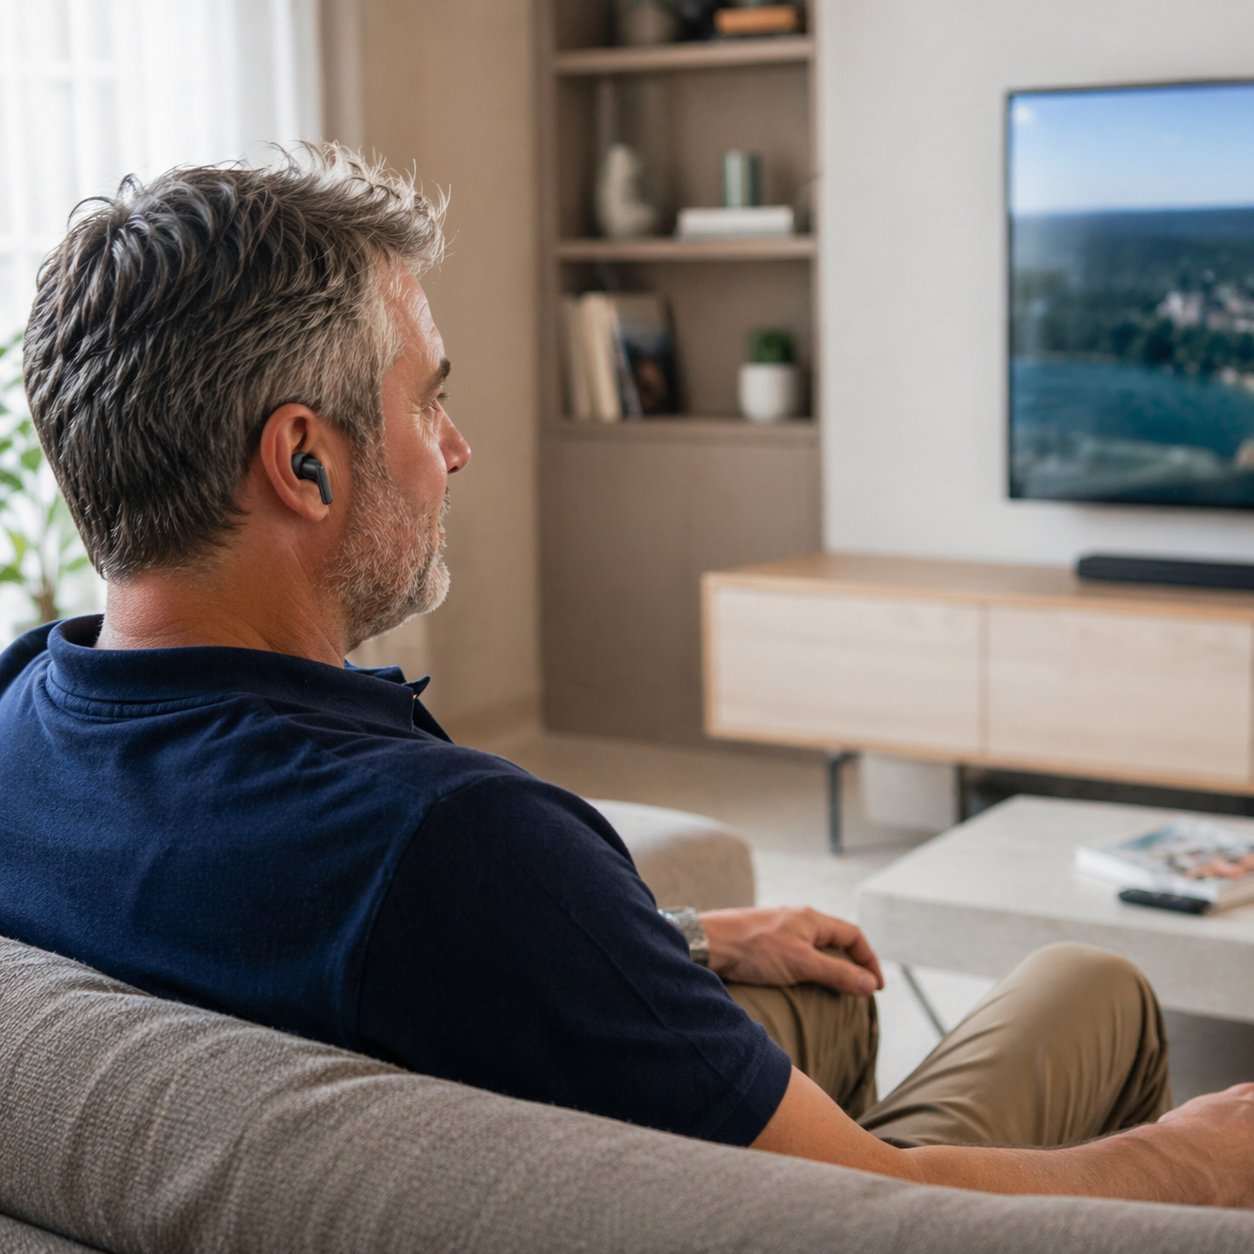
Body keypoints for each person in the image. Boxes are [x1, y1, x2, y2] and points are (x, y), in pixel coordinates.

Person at [0, 147, 1250, 1209]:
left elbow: (345, 948)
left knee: (832, 1001)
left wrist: (674, 938)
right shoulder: (456, 842)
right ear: (304, 463)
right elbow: (875, 1202)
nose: (456, 447)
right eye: (428, 401)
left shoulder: (19, 718)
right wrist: (1184, 1159)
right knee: (1093, 986)